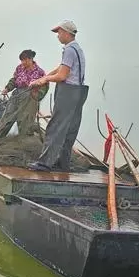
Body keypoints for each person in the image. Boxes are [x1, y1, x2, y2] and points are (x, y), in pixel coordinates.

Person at [27, 20, 89, 172]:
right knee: (69, 129)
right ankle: (63, 163)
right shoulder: (77, 49)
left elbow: (62, 75)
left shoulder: (68, 50)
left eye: (59, 32)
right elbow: (61, 68)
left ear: (67, 33)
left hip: (68, 92)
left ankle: (45, 163)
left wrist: (46, 79)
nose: (58, 36)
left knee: (55, 127)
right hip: (79, 92)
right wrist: (43, 78)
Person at [0, 49, 49, 139]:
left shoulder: (40, 72)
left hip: (30, 96)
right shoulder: (19, 68)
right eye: (22, 60)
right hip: (17, 94)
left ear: (31, 59)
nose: (23, 62)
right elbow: (14, 80)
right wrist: (7, 88)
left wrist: (37, 95)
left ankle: (24, 140)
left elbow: (44, 86)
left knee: (25, 119)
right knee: (8, 114)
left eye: (25, 60)